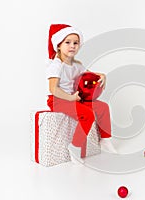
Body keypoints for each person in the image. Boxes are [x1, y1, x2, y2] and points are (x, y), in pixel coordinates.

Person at [46, 24, 116, 164]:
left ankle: (105, 139)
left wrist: (102, 75)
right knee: (87, 114)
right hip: (58, 100)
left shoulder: (77, 64)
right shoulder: (56, 65)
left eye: (76, 43)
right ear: (58, 45)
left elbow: (90, 74)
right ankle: (75, 147)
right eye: (68, 42)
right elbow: (53, 89)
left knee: (103, 107)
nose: (72, 46)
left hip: (76, 98)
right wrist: (71, 98)